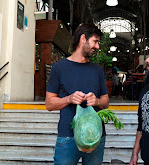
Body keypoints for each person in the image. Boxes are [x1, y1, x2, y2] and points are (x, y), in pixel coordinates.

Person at [45, 24, 109, 165]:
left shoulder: (97, 70)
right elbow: (49, 104)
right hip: (68, 136)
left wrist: (97, 101)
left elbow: (105, 102)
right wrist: (69, 98)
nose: (97, 47)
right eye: (95, 41)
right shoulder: (59, 68)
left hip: (96, 136)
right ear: (82, 39)